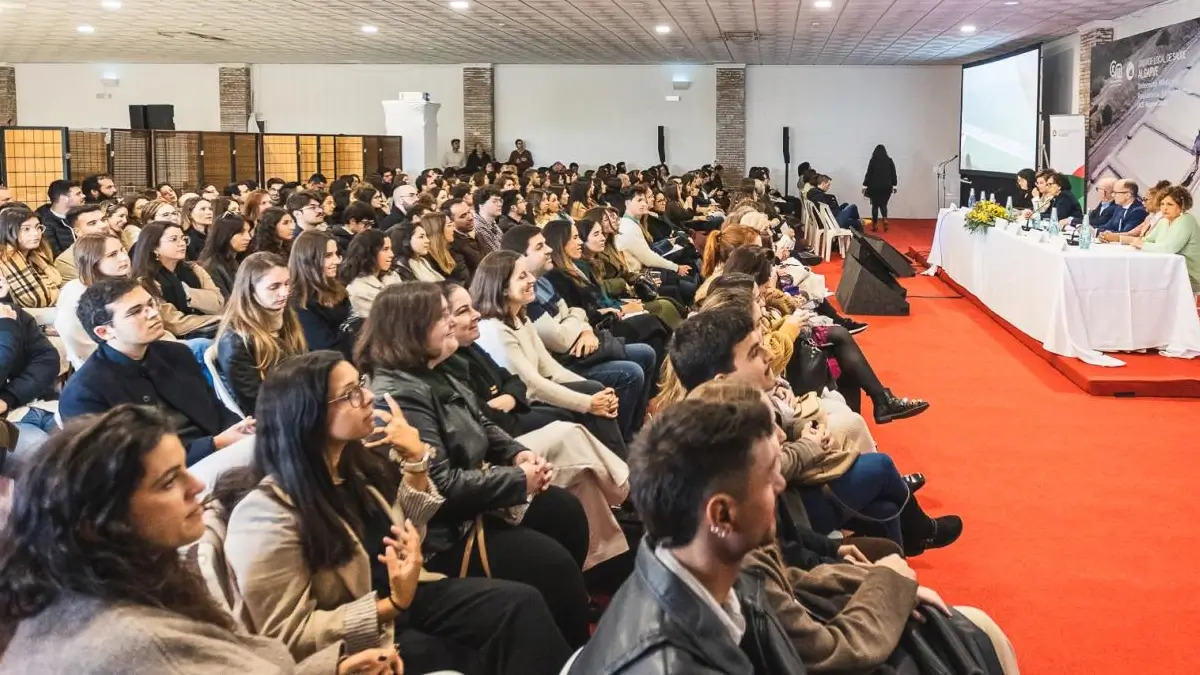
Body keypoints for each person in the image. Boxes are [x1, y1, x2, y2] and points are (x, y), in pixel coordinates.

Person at [209, 350, 570, 674]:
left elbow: (410, 530)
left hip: (405, 598)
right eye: (351, 394)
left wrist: (416, 462)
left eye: (360, 384)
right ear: (311, 416)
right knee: (465, 657)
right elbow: (285, 634)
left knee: (520, 605)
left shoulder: (353, 465)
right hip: (361, 635)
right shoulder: (266, 514)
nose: (368, 397)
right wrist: (391, 603)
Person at [0, 405, 402, 674]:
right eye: (169, 481)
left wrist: (330, 667)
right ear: (100, 521)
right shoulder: (136, 641)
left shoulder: (89, 583)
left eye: (183, 469)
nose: (196, 485)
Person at [356, 282, 593, 649]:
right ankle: (569, 650)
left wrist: (515, 454)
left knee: (563, 512)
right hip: (442, 536)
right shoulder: (398, 393)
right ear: (411, 329)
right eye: (442, 316)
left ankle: (563, 620)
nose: (452, 323)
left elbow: (479, 422)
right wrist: (517, 480)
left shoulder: (436, 369)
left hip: (471, 503)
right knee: (553, 568)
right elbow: (442, 488)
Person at [568, 397, 806, 675]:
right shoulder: (670, 665)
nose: (781, 483)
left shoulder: (693, 570)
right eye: (768, 477)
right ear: (722, 515)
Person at [60, 278, 252, 466]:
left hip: (220, 456)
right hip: (164, 482)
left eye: (151, 304)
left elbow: (216, 410)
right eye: (136, 312)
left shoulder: (177, 353)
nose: (152, 313)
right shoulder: (85, 392)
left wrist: (242, 431)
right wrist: (216, 444)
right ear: (105, 332)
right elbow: (125, 467)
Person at [501, 225, 656, 442]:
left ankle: (634, 429)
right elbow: (560, 339)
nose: (548, 250)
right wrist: (579, 324)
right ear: (520, 258)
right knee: (631, 371)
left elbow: (576, 312)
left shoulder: (543, 282)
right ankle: (620, 440)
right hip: (568, 360)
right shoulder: (527, 298)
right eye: (540, 247)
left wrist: (584, 330)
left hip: (582, 347)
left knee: (646, 353)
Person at [470, 251, 628, 457]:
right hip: (522, 404)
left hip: (536, 392)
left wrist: (597, 397)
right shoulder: (495, 330)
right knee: (602, 390)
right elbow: (532, 386)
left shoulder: (519, 317)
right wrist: (588, 403)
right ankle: (618, 467)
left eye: (529, 273)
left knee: (595, 389)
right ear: (502, 288)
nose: (532, 279)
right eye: (522, 276)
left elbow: (551, 369)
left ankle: (616, 462)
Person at [542, 220, 669, 361]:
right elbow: (580, 313)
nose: (580, 242)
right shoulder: (557, 276)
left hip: (604, 319)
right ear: (560, 242)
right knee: (651, 322)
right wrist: (619, 310)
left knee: (655, 323)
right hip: (595, 330)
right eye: (575, 238)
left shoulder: (575, 268)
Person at [215, 253, 306, 414]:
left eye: (287, 284)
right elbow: (257, 404)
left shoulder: (284, 314)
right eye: (274, 287)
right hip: (279, 415)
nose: (284, 293)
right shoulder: (235, 341)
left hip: (299, 401)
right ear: (250, 290)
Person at [0, 292, 59, 477]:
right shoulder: (7, 321)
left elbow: (48, 359)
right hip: (6, 424)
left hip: (42, 403)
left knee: (96, 445)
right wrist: (7, 330)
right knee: (49, 462)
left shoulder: (10, 312)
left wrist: (9, 396)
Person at [131, 221, 225, 320]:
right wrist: (215, 320)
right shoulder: (146, 281)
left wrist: (188, 292)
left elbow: (218, 304)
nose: (182, 244)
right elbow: (173, 322)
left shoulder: (194, 269)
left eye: (183, 239)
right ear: (155, 248)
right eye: (174, 239)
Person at [1121, 185, 1200, 293]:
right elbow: (1147, 239)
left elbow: (1169, 248)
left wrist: (1141, 244)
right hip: (1170, 273)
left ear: (1182, 206)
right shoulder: (1164, 221)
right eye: (1162, 204)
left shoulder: (1187, 220)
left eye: (1170, 204)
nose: (1164, 208)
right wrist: (1141, 242)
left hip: (1189, 278)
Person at [289, 231, 355, 359]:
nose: (337, 260)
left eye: (336, 254)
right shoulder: (299, 302)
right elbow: (326, 349)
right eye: (328, 255)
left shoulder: (337, 288)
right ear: (309, 259)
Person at [0, 206, 63, 317]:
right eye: (26, 229)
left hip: (48, 319)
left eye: (38, 227)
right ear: (8, 231)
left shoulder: (40, 255)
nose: (36, 233)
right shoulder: (3, 263)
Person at [339, 229, 401, 317]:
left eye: (390, 249)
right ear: (369, 253)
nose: (392, 254)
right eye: (385, 249)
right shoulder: (358, 291)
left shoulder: (392, 276)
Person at [198, 212, 253, 298]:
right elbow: (225, 303)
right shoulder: (212, 267)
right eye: (241, 233)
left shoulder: (237, 259)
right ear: (225, 234)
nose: (248, 237)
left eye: (248, 232)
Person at [53, 204, 108, 282]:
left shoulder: (117, 247)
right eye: (92, 223)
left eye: (103, 219)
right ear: (78, 232)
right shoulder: (66, 261)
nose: (103, 225)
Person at [36, 179, 85, 257]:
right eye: (78, 194)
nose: (83, 196)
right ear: (63, 198)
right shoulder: (44, 222)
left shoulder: (80, 215)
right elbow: (56, 256)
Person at [421, 212, 469, 284]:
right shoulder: (427, 260)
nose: (453, 228)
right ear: (437, 231)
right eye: (449, 225)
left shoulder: (452, 250)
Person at [862, 144, 898, 232]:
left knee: (875, 206)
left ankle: (874, 225)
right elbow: (893, 173)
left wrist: (865, 184)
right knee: (883, 204)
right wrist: (894, 184)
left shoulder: (873, 161)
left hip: (874, 187)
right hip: (886, 187)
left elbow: (869, 173)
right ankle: (885, 219)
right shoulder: (889, 161)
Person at [445, 198, 485, 276]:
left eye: (469, 212)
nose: (470, 217)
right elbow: (464, 277)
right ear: (451, 222)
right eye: (463, 216)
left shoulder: (477, 233)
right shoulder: (453, 245)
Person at [179, 195, 215, 261]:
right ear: (189, 214)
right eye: (203, 209)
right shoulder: (186, 238)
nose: (209, 212)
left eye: (210, 209)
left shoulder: (213, 235)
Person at [472, 187, 505, 255]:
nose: (500, 204)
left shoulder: (492, 223)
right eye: (494, 201)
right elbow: (497, 254)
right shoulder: (478, 227)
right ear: (481, 205)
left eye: (500, 200)